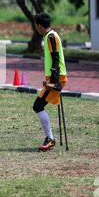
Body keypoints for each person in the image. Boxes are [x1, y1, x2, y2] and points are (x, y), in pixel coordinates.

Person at [33, 13, 68, 151]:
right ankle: (50, 138)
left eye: (37, 26)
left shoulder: (51, 37)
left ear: (40, 26)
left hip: (57, 78)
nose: (37, 29)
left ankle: (50, 139)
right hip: (55, 77)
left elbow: (55, 57)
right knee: (38, 106)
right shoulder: (50, 36)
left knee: (37, 105)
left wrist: (54, 80)